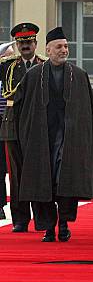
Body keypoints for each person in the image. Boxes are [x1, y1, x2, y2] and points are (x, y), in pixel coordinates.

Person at [14, 27, 93, 242]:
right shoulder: (33, 76)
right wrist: (25, 137)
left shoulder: (78, 76)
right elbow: (19, 109)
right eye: (59, 47)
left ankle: (63, 223)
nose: (64, 50)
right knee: (43, 182)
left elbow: (90, 111)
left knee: (65, 180)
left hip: (69, 138)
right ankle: (48, 227)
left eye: (66, 47)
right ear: (48, 50)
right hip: (41, 139)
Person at [0, 23, 46, 232]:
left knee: (37, 171)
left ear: (36, 43)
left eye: (29, 42)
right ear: (17, 45)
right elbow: (10, 92)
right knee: (16, 173)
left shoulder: (45, 65)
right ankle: (20, 219)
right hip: (13, 123)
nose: (25, 46)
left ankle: (40, 216)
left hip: (37, 123)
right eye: (21, 43)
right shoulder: (8, 65)